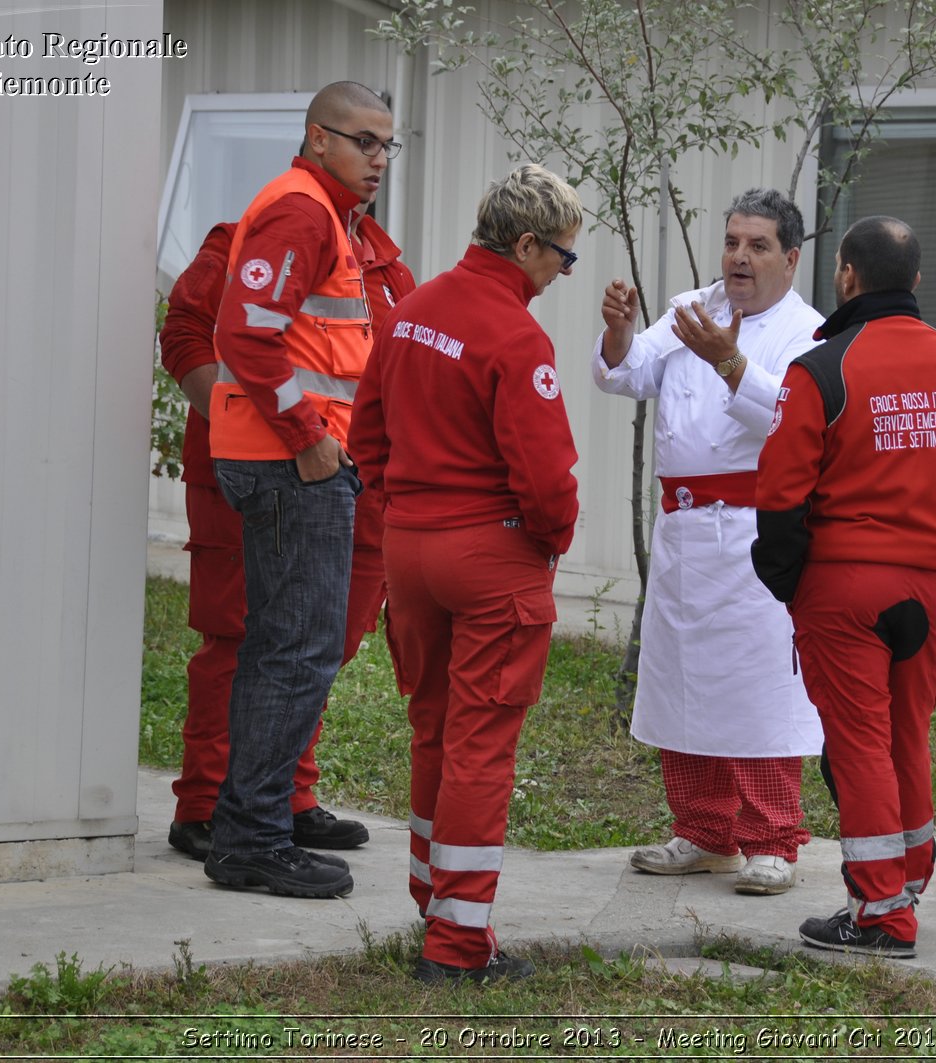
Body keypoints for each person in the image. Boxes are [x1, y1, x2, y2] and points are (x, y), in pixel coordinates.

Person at [753, 215, 936, 957]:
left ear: (845, 276)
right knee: (906, 736)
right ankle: (907, 879)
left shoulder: (820, 369)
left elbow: (779, 496)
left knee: (858, 743)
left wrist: (792, 585)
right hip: (928, 589)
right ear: (917, 281)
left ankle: (880, 912)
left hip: (843, 589)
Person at [350, 163, 582, 983]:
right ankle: (457, 944)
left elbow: (366, 433)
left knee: (433, 726)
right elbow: (547, 476)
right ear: (525, 244)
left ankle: (432, 897)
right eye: (561, 256)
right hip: (491, 554)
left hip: (410, 543)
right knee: (482, 746)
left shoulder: (411, 311)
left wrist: (401, 505)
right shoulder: (515, 335)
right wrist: (548, 541)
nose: (561, 274)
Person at [159, 164, 414, 862]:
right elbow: (187, 333)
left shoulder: (385, 262)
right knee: (243, 638)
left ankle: (284, 793)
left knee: (319, 646)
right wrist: (249, 424)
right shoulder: (254, 236)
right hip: (268, 475)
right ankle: (210, 802)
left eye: (384, 147)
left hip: (350, 485)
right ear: (319, 145)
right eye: (360, 144)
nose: (375, 164)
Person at [592, 188, 825, 896]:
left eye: (756, 246)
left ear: (789, 257)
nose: (739, 258)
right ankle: (703, 830)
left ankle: (771, 838)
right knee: (682, 684)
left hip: (756, 533)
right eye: (731, 242)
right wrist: (618, 331)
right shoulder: (694, 307)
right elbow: (626, 374)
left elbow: (793, 420)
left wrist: (729, 363)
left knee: (756, 691)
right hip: (683, 531)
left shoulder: (807, 330)